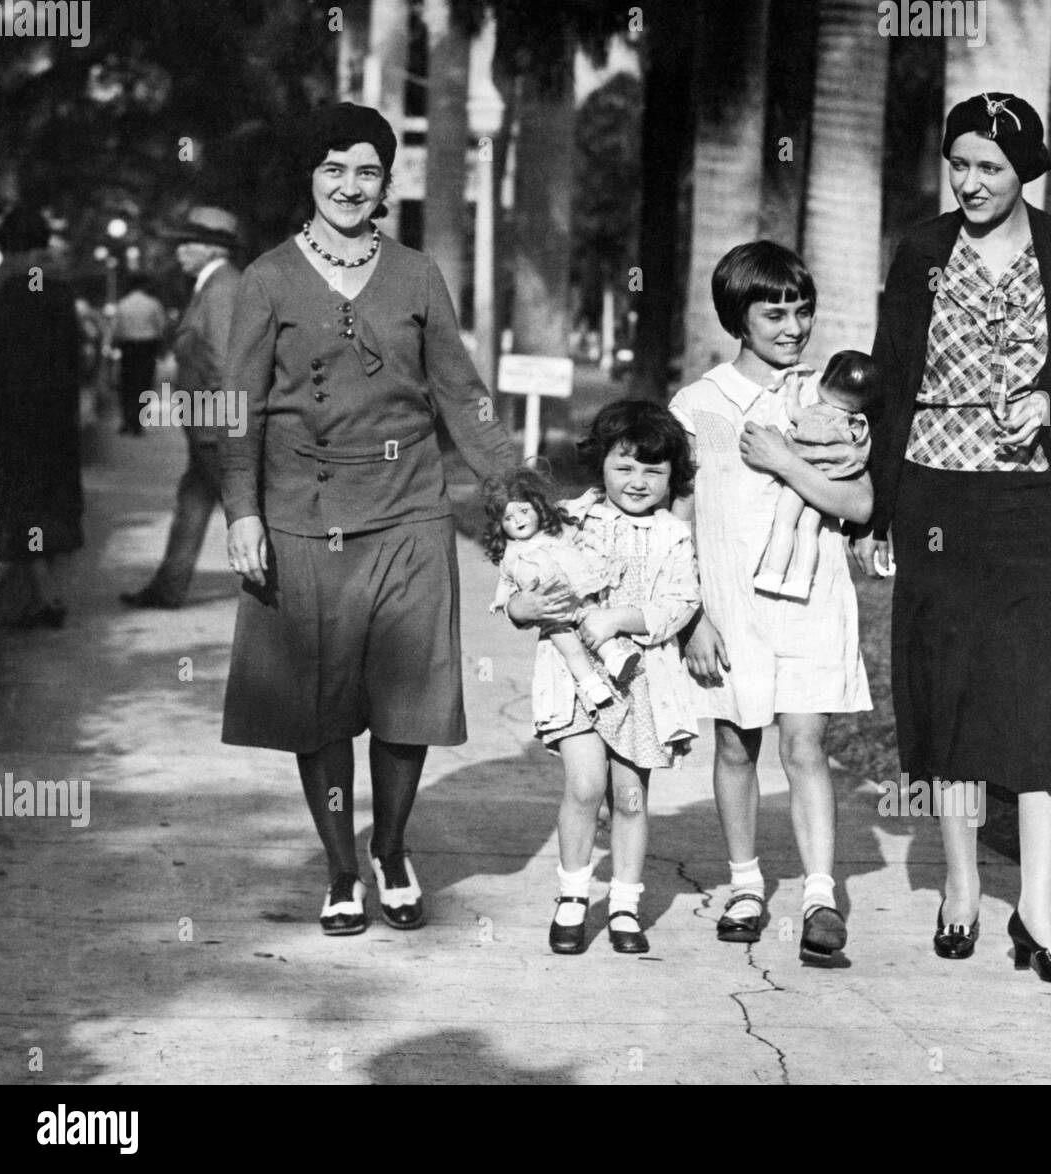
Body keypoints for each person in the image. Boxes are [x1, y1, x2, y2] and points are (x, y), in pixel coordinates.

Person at [853, 93, 1051, 983]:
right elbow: (892, 379)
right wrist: (882, 512)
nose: (971, 182)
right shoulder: (923, 253)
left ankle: (1040, 908)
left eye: (991, 168)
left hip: (1042, 505)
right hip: (940, 498)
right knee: (953, 686)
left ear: (1025, 172)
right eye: (961, 164)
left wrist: (1046, 405)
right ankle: (963, 886)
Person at [220, 102, 516, 936]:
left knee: (407, 695)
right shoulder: (268, 278)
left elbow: (461, 392)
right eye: (333, 169)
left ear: (387, 183)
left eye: (367, 172)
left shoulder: (418, 274)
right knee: (317, 705)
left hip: (410, 515)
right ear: (309, 178)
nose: (350, 186)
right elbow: (237, 408)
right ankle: (341, 869)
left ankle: (390, 848)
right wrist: (243, 510)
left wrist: (514, 485)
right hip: (303, 521)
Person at [668, 241, 874, 964]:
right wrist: (692, 617)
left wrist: (786, 460)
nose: (793, 327)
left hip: (811, 597)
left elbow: (857, 499)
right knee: (734, 742)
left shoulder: (829, 400)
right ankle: (746, 883)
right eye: (774, 312)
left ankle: (821, 894)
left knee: (806, 744)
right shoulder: (698, 406)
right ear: (738, 318)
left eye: (802, 310)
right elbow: (677, 522)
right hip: (729, 605)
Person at [505, 400, 699, 955]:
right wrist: (521, 606)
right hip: (575, 675)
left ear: (672, 478)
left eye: (654, 471)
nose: (638, 481)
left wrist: (621, 618)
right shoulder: (569, 519)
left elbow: (680, 603)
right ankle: (571, 898)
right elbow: (523, 571)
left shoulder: (672, 536)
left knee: (631, 796)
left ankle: (624, 906)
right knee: (586, 786)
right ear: (601, 464)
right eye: (625, 466)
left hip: (640, 677)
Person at [120, 206, 242, 608]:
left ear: (212, 248)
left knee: (248, 516)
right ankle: (168, 587)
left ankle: (299, 601)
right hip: (207, 425)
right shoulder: (212, 286)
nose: (180, 250)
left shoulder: (222, 290)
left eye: (189, 243)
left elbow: (227, 364)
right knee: (195, 500)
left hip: (217, 428)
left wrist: (224, 429)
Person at [0, 208, 84, 629]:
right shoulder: (59, 288)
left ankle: (43, 601)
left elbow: (1, 359)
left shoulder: (17, 287)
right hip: (54, 416)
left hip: (17, 416)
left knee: (20, 507)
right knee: (38, 508)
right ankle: (47, 599)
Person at [483, 465, 637, 708]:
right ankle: (592, 685)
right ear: (501, 525)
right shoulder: (511, 553)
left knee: (595, 624)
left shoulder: (555, 530)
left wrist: (589, 497)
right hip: (552, 614)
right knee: (571, 649)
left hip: (578, 596)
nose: (518, 520)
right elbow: (505, 580)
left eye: (523, 511)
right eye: (508, 518)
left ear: (537, 507)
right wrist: (500, 600)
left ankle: (616, 660)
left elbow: (574, 509)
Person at [754, 350, 882, 599]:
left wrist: (792, 387)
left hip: (798, 480)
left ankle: (773, 572)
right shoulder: (854, 426)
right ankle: (802, 580)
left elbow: (793, 412)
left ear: (824, 385)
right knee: (807, 530)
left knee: (784, 522)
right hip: (826, 484)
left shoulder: (816, 413)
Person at [111, 273, 167, 436]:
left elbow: (116, 328)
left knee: (126, 384)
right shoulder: (152, 303)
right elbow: (161, 326)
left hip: (127, 346)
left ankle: (126, 420)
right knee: (144, 383)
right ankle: (138, 421)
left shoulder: (123, 304)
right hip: (147, 346)